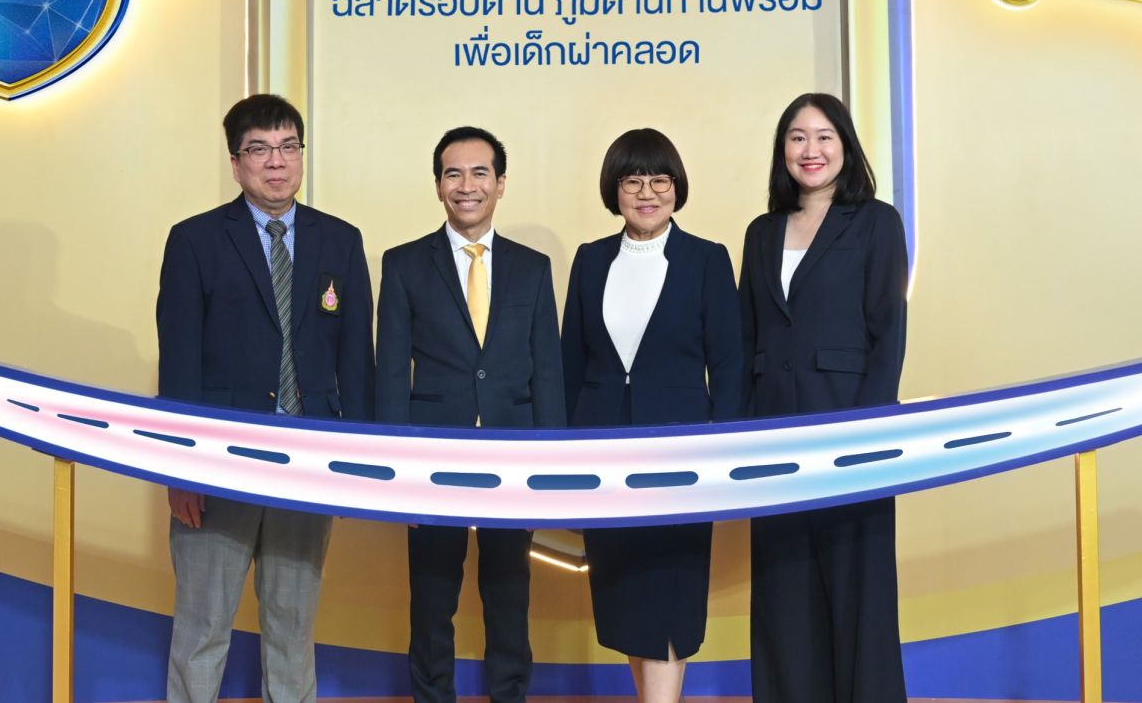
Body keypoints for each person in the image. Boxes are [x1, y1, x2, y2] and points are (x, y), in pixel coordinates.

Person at [156, 93, 375, 703]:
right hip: (218, 465)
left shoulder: (341, 241)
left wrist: (356, 460)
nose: (276, 162)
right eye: (259, 149)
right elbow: (179, 362)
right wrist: (179, 468)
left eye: (287, 147)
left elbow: (356, 359)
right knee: (202, 627)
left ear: (301, 155)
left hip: (307, 464)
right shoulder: (195, 240)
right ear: (236, 163)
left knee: (292, 627)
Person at [375, 126, 565, 703]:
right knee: (433, 598)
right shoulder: (404, 264)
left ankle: (509, 693)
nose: (467, 185)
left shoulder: (533, 268)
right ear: (437, 185)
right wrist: (396, 473)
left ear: (501, 184)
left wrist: (551, 467)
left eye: (480, 173)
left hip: (514, 454)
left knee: (509, 593)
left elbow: (548, 372)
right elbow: (390, 374)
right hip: (433, 458)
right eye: (453, 174)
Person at [561, 128, 743, 703]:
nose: (647, 193)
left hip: (682, 457)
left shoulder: (707, 260)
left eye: (659, 180)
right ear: (613, 190)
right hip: (603, 455)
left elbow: (730, 366)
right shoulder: (590, 260)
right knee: (627, 599)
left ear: (677, 186)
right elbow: (570, 364)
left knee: (670, 597)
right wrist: (563, 456)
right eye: (632, 180)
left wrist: (724, 455)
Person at [738, 93, 909, 703]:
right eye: (797, 137)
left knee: (858, 594)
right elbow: (747, 339)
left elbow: (888, 336)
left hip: (850, 436)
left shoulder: (877, 222)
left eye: (823, 136)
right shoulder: (761, 232)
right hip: (774, 440)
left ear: (846, 146)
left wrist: (866, 434)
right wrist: (741, 438)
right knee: (784, 598)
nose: (810, 150)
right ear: (782, 149)